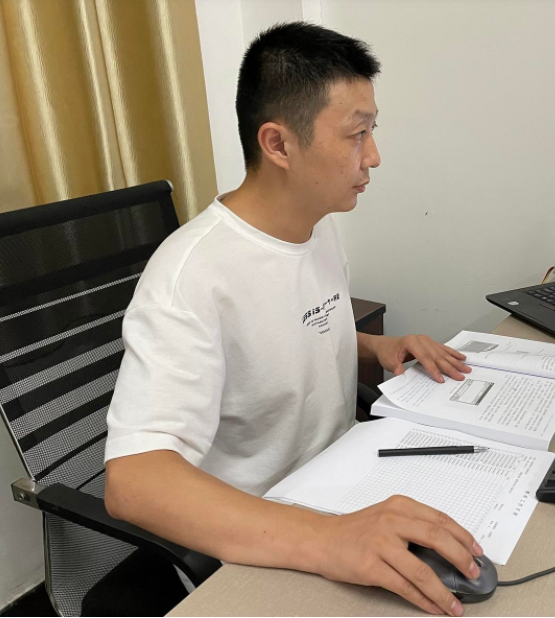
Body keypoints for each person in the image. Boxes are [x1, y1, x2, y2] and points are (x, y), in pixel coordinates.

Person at [104, 22, 479, 617]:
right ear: (279, 144)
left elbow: (288, 329)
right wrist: (329, 540)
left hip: (340, 488)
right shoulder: (191, 277)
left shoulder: (316, 225)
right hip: (260, 541)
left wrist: (376, 346)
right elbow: (133, 482)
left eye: (373, 130)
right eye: (357, 134)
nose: (374, 156)